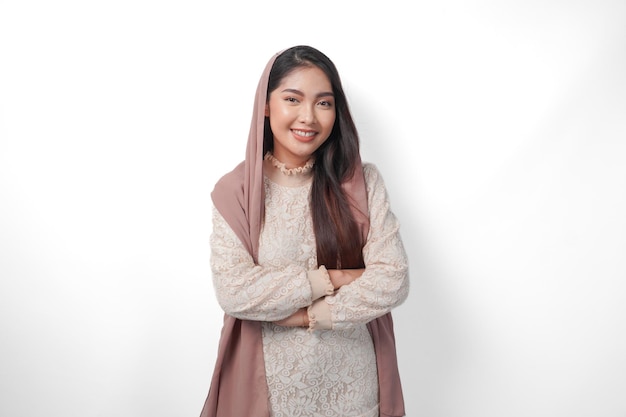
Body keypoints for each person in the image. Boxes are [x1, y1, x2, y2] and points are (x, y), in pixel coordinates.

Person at [200, 45, 409, 417]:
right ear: (266, 105)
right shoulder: (237, 194)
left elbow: (393, 279)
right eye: (292, 99)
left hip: (355, 389)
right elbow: (235, 291)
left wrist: (305, 317)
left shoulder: (362, 183)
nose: (308, 117)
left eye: (323, 103)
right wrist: (336, 278)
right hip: (269, 392)